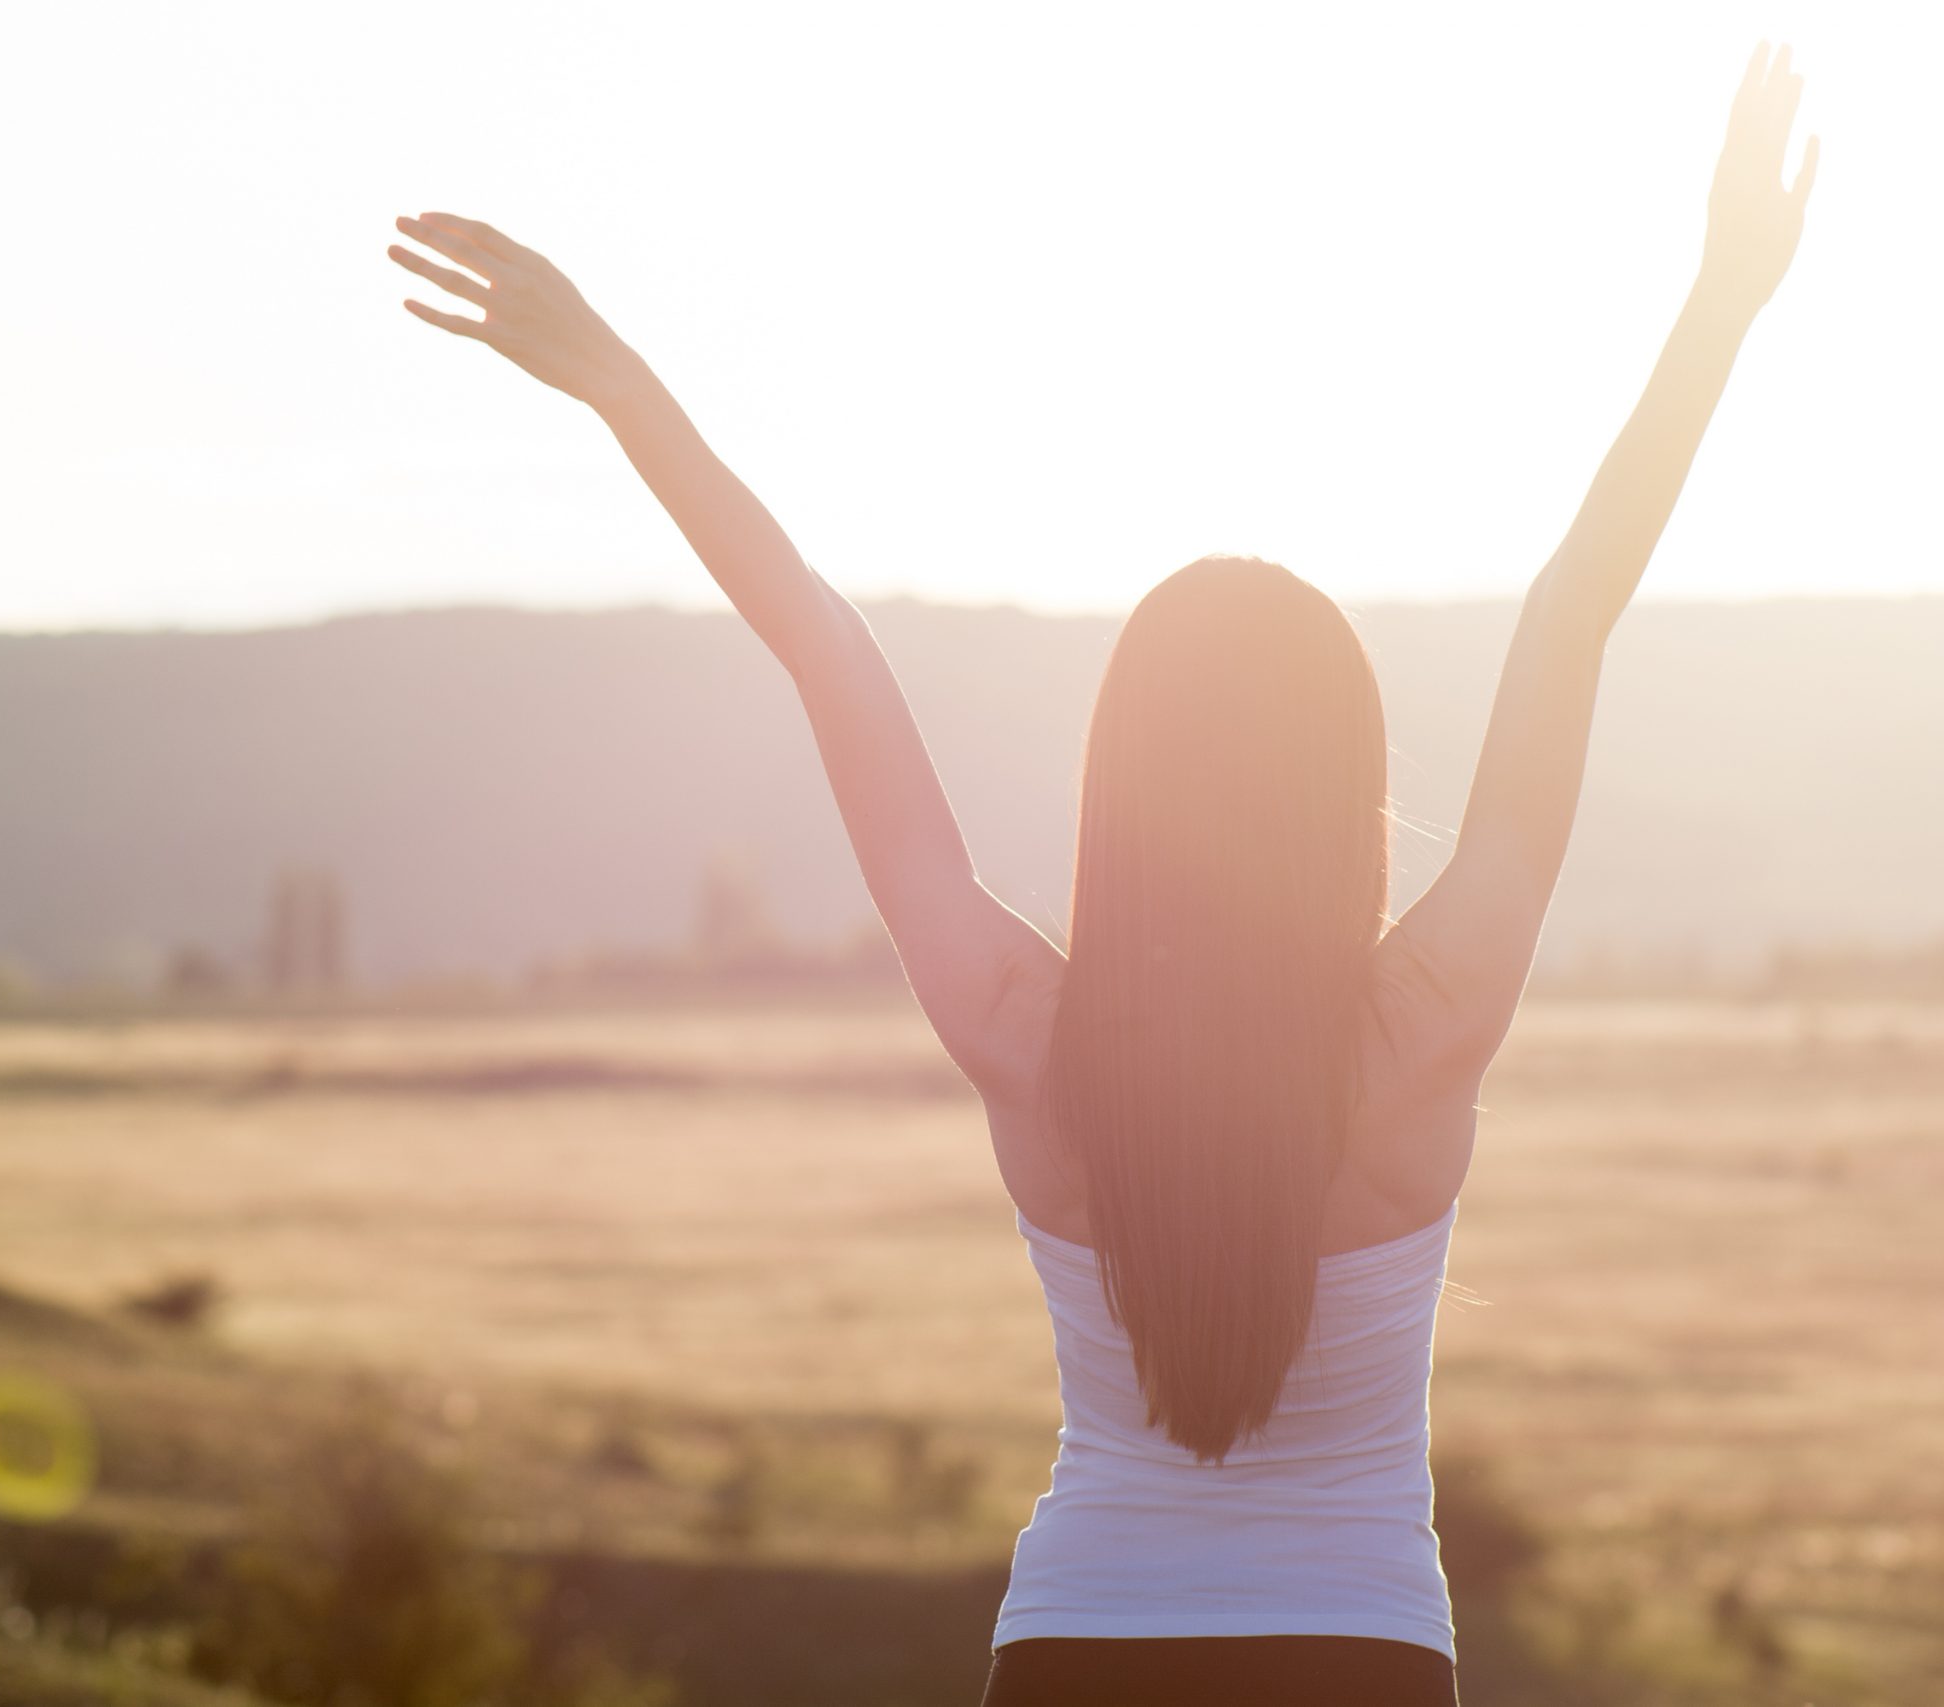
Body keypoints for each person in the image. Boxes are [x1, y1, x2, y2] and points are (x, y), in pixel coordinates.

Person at [388, 42, 1815, 1706]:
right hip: (1361, 1656)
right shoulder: (1426, 1023)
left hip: (1079, 1651)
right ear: (1348, 793)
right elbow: (1573, 613)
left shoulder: (1021, 1027)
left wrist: (628, 389)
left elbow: (827, 656)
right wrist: (1723, 303)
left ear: (1118, 796)